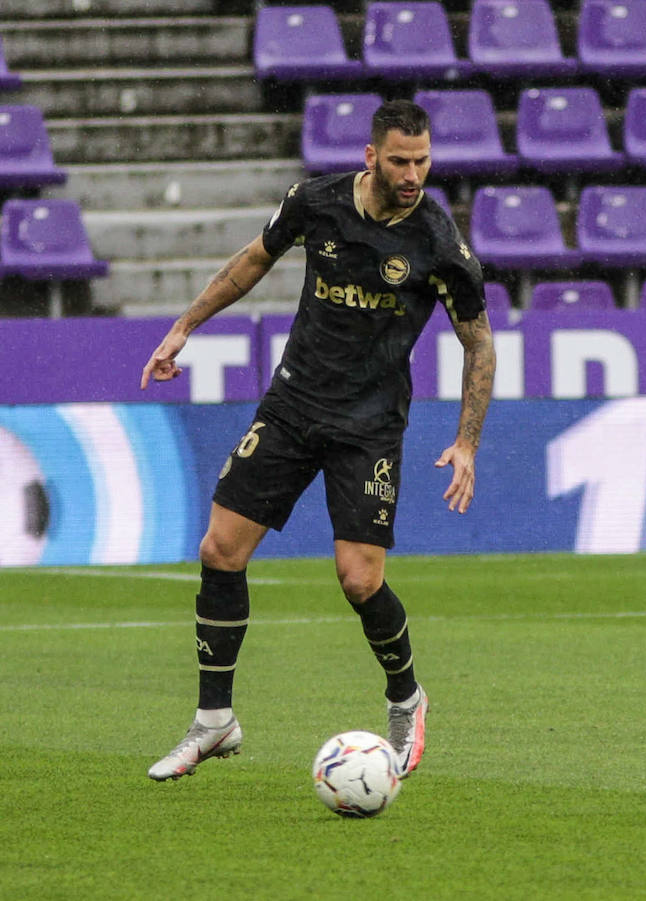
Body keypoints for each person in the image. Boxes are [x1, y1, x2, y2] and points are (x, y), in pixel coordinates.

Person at [141, 99, 495, 782]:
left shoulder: (439, 246)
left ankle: (407, 697)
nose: (412, 173)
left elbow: (478, 344)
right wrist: (185, 326)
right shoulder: (315, 202)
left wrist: (467, 442)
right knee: (219, 547)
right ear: (371, 157)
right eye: (399, 160)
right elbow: (252, 260)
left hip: (369, 425)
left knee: (360, 579)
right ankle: (215, 720)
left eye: (422, 161)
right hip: (294, 402)